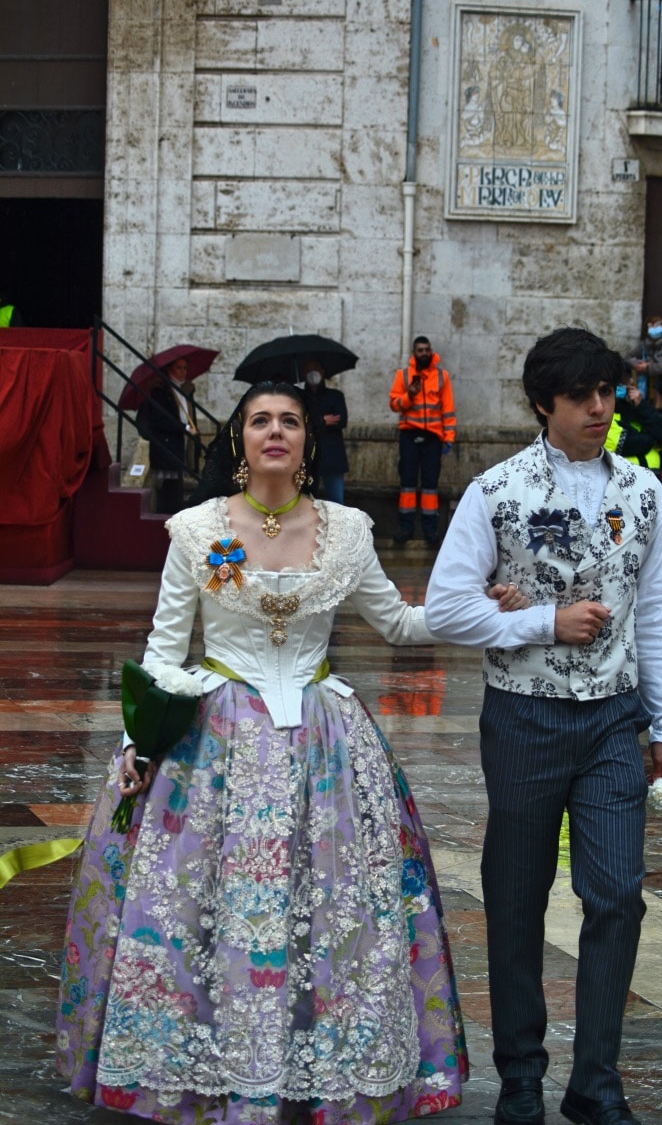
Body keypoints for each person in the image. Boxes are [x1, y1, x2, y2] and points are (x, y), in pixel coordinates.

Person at [56, 380, 528, 1125]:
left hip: (324, 739)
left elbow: (399, 624)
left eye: (289, 421)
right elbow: (165, 649)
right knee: (201, 906)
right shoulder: (197, 531)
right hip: (217, 738)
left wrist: (481, 607)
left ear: (308, 440)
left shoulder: (346, 530)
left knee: (333, 907)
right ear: (240, 441)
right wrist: (137, 743)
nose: (274, 431)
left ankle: (320, 1064)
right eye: (259, 421)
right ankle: (210, 1071)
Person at [425, 327, 662, 1125]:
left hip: (613, 719)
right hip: (524, 716)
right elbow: (447, 607)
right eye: (580, 397)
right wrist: (542, 621)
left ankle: (596, 1084)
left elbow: (657, 609)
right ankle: (521, 1079)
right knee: (515, 899)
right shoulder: (496, 491)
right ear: (544, 404)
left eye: (607, 393)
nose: (599, 409)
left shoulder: (643, 491)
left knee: (618, 896)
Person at [389, 336, 456, 547]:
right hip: (409, 435)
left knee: (430, 485)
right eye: (420, 350)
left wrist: (449, 437)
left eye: (427, 349)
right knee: (407, 483)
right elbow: (394, 405)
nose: (424, 353)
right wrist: (409, 395)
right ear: (414, 353)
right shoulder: (403, 375)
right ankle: (405, 528)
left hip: (433, 438)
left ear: (431, 351)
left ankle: (430, 531)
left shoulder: (442, 377)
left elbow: (448, 409)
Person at [136, 357, 199, 513]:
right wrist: (185, 428)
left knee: (176, 487)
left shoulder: (185, 390)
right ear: (169, 369)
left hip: (181, 445)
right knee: (169, 489)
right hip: (167, 446)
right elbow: (161, 420)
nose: (183, 372)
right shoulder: (161, 391)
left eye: (185, 368)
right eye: (179, 368)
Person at [605, 365, 662, 472]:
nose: (622, 386)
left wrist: (641, 405)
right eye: (618, 383)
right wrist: (654, 439)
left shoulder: (639, 408)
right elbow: (625, 444)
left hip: (652, 474)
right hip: (624, 475)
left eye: (625, 382)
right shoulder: (605, 414)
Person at [302, 359, 349, 504]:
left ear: (323, 372)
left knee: (337, 501)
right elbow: (297, 423)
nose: (313, 373)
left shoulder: (335, 396)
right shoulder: (300, 398)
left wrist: (311, 421)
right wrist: (322, 420)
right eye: (309, 369)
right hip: (307, 455)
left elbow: (341, 421)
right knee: (306, 500)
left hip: (332, 455)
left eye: (316, 368)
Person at [626, 315, 662, 412]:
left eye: (657, 325)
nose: (655, 328)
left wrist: (648, 367)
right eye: (651, 326)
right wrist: (636, 364)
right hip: (651, 387)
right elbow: (628, 357)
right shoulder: (644, 343)